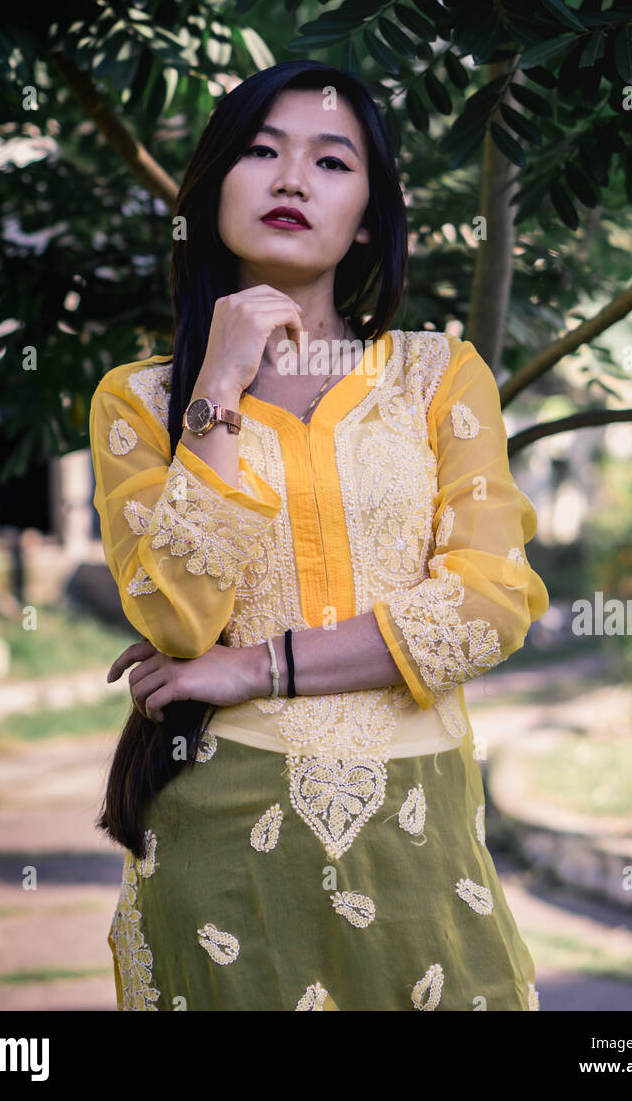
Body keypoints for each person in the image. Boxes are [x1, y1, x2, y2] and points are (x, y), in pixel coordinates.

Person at [88, 59, 550, 1011]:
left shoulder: (436, 378)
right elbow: (175, 616)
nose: (292, 179)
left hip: (419, 827)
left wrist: (256, 667)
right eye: (262, 151)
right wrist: (214, 389)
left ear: (370, 216)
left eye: (331, 162)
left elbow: (488, 607)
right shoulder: (139, 402)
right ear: (214, 185)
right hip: (220, 831)